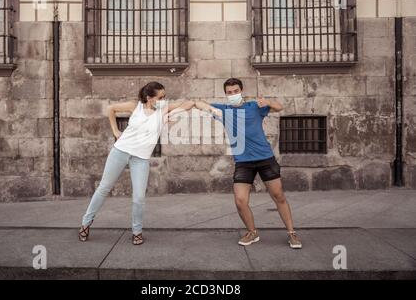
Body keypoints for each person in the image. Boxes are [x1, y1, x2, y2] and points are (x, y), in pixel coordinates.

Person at [79, 81, 194, 245]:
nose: (164, 99)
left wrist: (179, 110)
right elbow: (111, 109)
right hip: (120, 151)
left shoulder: (163, 109)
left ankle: (137, 231)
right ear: (149, 97)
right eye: (161, 97)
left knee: (139, 197)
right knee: (104, 188)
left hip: (141, 159)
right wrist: (115, 130)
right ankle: (85, 224)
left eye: (164, 96)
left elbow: (187, 104)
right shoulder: (135, 106)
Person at [195, 78, 302, 249]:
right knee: (240, 200)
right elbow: (199, 104)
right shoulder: (224, 110)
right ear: (226, 94)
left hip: (265, 158)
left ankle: (292, 233)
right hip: (243, 162)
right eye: (229, 92)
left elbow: (279, 107)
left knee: (278, 196)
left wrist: (267, 102)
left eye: (235, 91)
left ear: (241, 91)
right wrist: (207, 107)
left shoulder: (254, 107)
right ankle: (252, 232)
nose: (233, 94)